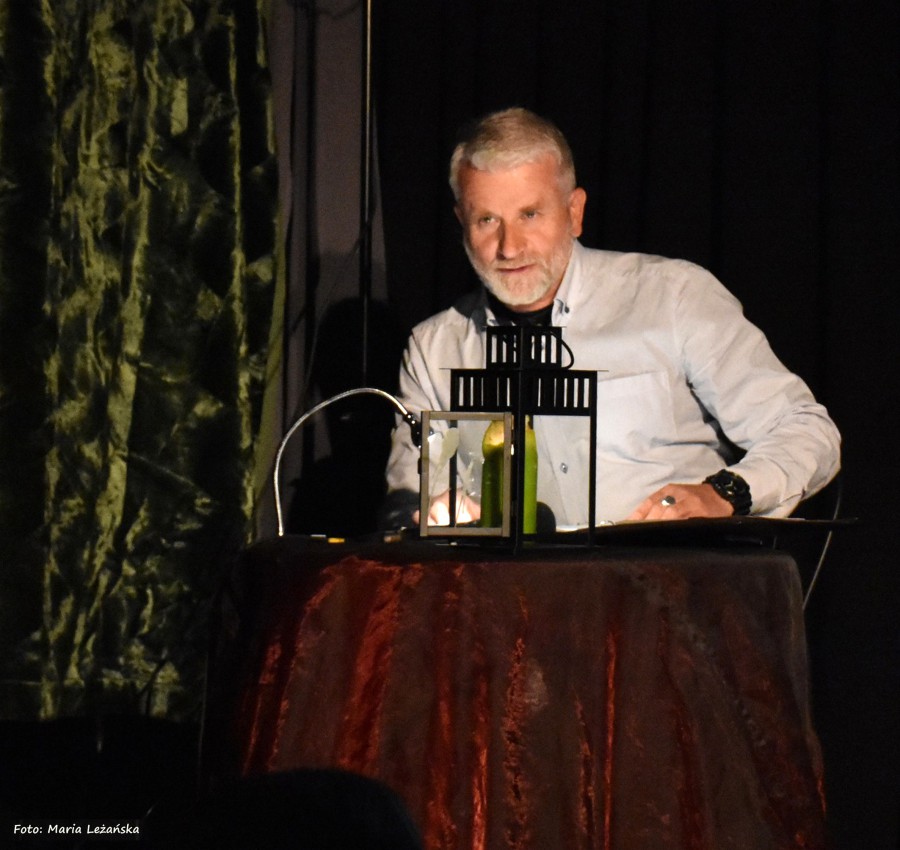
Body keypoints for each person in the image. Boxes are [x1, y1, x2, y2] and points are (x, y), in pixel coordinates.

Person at [383, 107, 840, 529]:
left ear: (574, 212)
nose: (509, 247)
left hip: (671, 582)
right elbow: (406, 509)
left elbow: (805, 431)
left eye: (530, 214)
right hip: (508, 590)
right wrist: (431, 512)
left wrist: (722, 495)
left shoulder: (673, 297)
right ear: (461, 222)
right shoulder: (434, 350)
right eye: (487, 220)